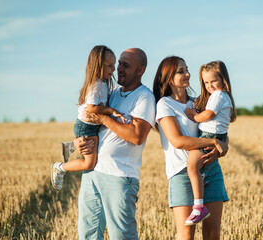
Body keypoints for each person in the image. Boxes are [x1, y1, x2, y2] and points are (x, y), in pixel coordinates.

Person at [74, 48, 155, 239]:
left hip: (120, 177)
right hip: (92, 173)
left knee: (122, 236)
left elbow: (137, 135)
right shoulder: (111, 91)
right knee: (88, 235)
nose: (119, 68)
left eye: (125, 65)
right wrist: (78, 142)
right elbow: (88, 121)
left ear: (140, 70)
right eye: (119, 63)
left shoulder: (145, 97)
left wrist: (103, 118)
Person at [153, 56, 229, 240]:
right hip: (182, 173)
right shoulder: (164, 104)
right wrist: (212, 143)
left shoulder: (198, 102)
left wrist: (224, 146)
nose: (187, 74)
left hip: (211, 170)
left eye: (186, 69)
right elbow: (178, 141)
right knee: (186, 235)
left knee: (213, 234)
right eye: (181, 71)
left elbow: (219, 130)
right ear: (169, 78)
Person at [51, 45, 124, 191]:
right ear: (98, 66)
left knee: (93, 154)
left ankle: (71, 146)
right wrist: (111, 110)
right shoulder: (96, 85)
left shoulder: (102, 84)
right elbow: (91, 108)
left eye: (114, 65)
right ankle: (59, 168)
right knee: (89, 164)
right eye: (110, 66)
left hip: (89, 126)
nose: (114, 69)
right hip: (86, 126)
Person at [184, 61, 236, 225]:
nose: (210, 85)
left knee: (192, 167)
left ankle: (199, 206)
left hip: (209, 134)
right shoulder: (223, 97)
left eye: (213, 81)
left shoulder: (218, 95)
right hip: (218, 135)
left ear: (223, 80)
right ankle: (199, 205)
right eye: (206, 82)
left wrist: (192, 116)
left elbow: (208, 115)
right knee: (198, 167)